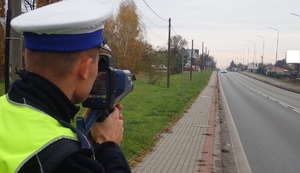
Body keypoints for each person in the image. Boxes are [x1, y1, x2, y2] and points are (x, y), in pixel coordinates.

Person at [0, 0, 131, 172]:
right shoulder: (68, 160)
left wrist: (82, 139)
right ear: (84, 68)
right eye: (98, 62)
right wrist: (108, 146)